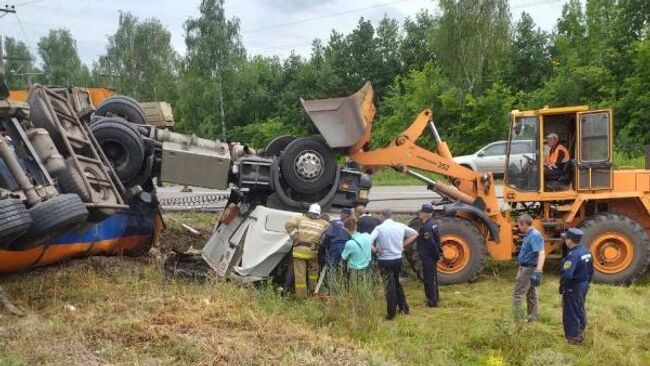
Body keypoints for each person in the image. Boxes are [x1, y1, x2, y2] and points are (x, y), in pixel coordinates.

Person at [370, 208, 419, 320]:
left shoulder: (379, 228)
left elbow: (368, 240)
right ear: (391, 216)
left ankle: (391, 312)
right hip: (397, 259)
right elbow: (415, 233)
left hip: (385, 260)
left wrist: (375, 249)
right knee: (397, 283)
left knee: (388, 286)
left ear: (382, 216)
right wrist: (403, 245)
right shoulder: (400, 226)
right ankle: (404, 307)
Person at [285, 203, 330, 298]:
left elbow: (288, 224)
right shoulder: (324, 223)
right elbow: (328, 232)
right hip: (313, 251)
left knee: (300, 274)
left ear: (309, 211)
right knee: (313, 272)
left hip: (299, 251)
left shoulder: (300, 219)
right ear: (319, 213)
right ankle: (312, 290)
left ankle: (301, 296)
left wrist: (295, 237)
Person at [559, 228, 593, 345]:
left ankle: (573, 337)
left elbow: (567, 275)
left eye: (566, 239)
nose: (565, 241)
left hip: (573, 286)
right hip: (584, 284)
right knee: (579, 307)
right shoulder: (586, 251)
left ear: (570, 240)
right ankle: (581, 329)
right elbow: (591, 270)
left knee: (570, 310)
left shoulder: (573, 255)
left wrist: (563, 286)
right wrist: (587, 283)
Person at [513, 214, 546, 322]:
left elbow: (541, 253)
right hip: (526, 267)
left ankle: (517, 320)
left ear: (524, 224)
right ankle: (532, 317)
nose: (519, 228)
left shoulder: (534, 235)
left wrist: (538, 271)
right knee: (531, 293)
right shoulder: (529, 234)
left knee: (518, 293)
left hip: (528, 269)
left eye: (519, 225)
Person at [410, 204, 441, 307]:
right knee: (433, 278)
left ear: (424, 214)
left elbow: (431, 243)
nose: (419, 214)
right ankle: (435, 298)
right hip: (432, 256)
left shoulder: (426, 227)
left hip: (428, 256)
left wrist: (436, 255)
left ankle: (431, 302)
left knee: (428, 279)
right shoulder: (433, 223)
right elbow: (437, 240)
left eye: (421, 212)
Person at [341, 218, 373, 284]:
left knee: (354, 288)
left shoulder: (350, 243)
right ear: (356, 226)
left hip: (354, 270)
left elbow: (343, 257)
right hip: (367, 268)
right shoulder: (367, 236)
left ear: (346, 229)